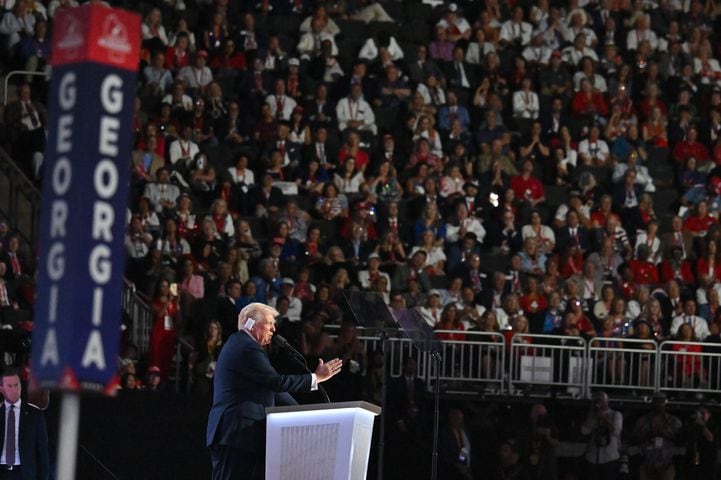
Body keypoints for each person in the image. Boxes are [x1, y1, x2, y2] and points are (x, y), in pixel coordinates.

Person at [206, 303, 343, 479]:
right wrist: (315, 378)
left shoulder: (241, 345)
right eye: (269, 323)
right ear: (251, 324)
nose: (273, 329)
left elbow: (272, 389)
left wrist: (303, 413)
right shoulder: (247, 347)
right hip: (236, 432)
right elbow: (275, 382)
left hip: (236, 434)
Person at [0, 368, 49, 480]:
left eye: (17, 385)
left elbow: (43, 453)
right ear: (1, 389)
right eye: (10, 386)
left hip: (25, 473)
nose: (14, 389)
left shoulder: (35, 414)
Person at [632, 392, 682, 480]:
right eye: (656, 401)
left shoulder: (673, 421)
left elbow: (680, 438)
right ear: (652, 403)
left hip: (666, 466)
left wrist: (663, 432)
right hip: (647, 465)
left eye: (661, 402)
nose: (658, 404)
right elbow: (634, 438)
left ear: (665, 403)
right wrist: (649, 434)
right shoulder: (643, 420)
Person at [580, 391, 622, 480]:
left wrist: (604, 419)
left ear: (607, 402)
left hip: (610, 457)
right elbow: (584, 431)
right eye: (597, 401)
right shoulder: (592, 416)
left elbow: (616, 432)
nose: (599, 403)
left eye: (602, 401)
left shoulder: (615, 414)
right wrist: (592, 415)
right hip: (593, 457)